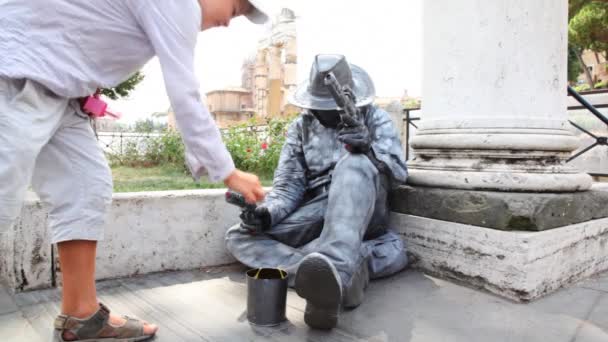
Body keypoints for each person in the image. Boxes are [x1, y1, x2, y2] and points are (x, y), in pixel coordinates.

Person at [0, 0, 269, 340]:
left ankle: (80, 317)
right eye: (235, 8)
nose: (230, 22)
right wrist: (229, 172)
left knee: (86, 187)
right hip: (14, 72)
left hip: (60, 92)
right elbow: (184, 94)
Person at [225, 54, 409, 330]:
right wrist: (265, 215)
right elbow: (288, 187)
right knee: (240, 237)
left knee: (354, 163)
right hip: (317, 209)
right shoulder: (301, 127)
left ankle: (329, 266)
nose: (325, 113)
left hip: (363, 207)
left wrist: (368, 150)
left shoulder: (374, 118)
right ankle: (339, 271)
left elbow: (398, 173)